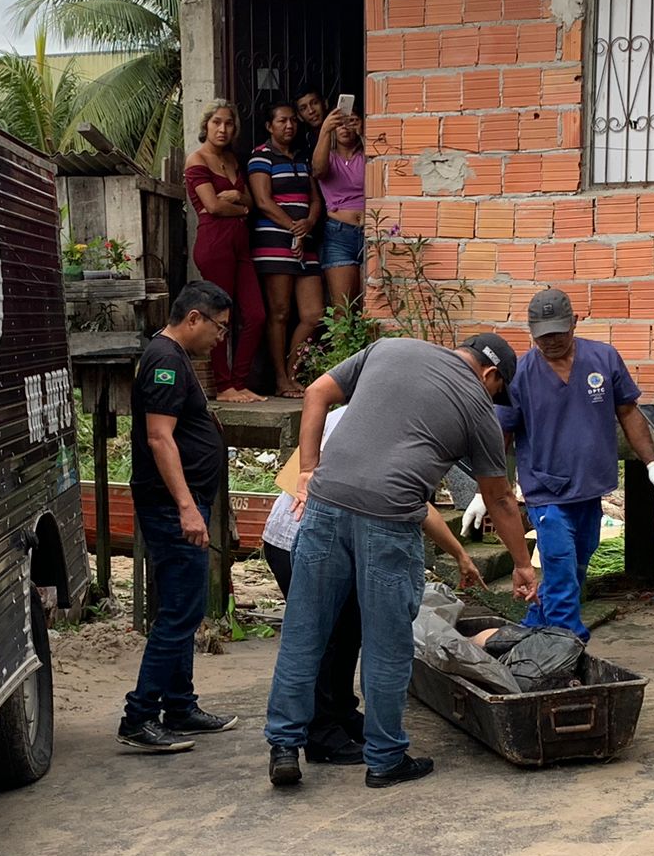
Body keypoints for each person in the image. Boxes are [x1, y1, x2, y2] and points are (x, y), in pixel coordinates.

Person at [264, 333, 539, 789]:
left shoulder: (388, 347)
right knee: (386, 643)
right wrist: (523, 564)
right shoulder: (477, 407)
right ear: (491, 376)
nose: (493, 397)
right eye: (497, 390)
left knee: (304, 631)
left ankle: (284, 746)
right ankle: (386, 758)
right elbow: (500, 499)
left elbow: (315, 392)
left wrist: (308, 469)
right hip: (389, 520)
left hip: (326, 506)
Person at [262, 405, 486, 765]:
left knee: (348, 630)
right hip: (300, 537)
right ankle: (320, 735)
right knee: (321, 640)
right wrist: (458, 554)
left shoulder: (368, 416)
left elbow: (414, 502)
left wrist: (459, 554)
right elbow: (414, 506)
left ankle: (340, 712)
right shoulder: (373, 424)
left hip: (335, 538)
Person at [462, 290, 654, 641]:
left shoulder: (603, 359)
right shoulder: (520, 376)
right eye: (543, 335)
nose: (552, 342)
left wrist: (652, 464)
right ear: (531, 331)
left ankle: (529, 634)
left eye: (559, 333)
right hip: (546, 492)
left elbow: (628, 412)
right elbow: (503, 434)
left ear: (575, 322)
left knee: (574, 569)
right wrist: (484, 490)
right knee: (560, 571)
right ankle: (567, 646)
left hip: (590, 488)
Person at [118, 282, 240, 753]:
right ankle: (140, 717)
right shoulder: (165, 360)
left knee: (184, 609)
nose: (220, 338)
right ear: (194, 318)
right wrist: (187, 507)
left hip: (181, 503)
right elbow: (159, 439)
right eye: (219, 327)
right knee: (178, 613)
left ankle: (180, 706)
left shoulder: (171, 357)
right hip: (172, 507)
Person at [184, 100, 266, 403]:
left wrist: (240, 201)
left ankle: (239, 381)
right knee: (220, 316)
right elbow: (214, 206)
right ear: (206, 125)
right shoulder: (196, 160)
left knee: (256, 314)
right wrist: (241, 206)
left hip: (240, 245)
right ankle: (223, 385)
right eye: (217, 122)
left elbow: (251, 203)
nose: (223, 129)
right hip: (214, 244)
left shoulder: (232, 159)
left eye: (229, 123)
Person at [248, 102, 324, 398]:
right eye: (282, 121)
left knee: (314, 314)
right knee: (279, 313)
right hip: (274, 243)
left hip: (305, 241)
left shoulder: (305, 156)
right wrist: (294, 227)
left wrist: (309, 222)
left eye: (293, 121)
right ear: (270, 126)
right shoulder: (261, 156)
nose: (289, 126)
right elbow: (263, 200)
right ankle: (280, 379)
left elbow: (316, 199)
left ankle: (292, 373)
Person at [312, 105, 366, 311]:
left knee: (371, 308)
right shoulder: (329, 156)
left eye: (350, 121)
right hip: (339, 234)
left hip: (371, 232)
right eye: (339, 123)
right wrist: (325, 129)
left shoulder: (365, 154)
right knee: (342, 309)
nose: (345, 127)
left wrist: (364, 133)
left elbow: (382, 163)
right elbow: (318, 170)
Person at [294, 87, 328, 163]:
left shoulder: (342, 132)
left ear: (325, 103)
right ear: (299, 116)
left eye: (315, 103)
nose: (311, 111)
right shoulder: (303, 144)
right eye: (303, 108)